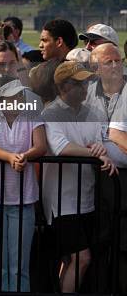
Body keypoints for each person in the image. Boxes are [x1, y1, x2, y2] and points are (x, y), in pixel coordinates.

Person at [42, 61, 117, 293]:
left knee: (71, 260)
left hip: (85, 198)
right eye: (79, 84)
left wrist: (97, 151)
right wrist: (94, 154)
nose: (85, 88)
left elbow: (100, 142)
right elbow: (61, 148)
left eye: (86, 83)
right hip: (62, 202)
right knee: (82, 258)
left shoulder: (92, 112)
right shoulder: (50, 113)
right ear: (63, 87)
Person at [0, 40, 45, 292]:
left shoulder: (31, 107)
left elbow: (40, 145)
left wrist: (24, 155)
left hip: (24, 198)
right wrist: (10, 157)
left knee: (19, 265)